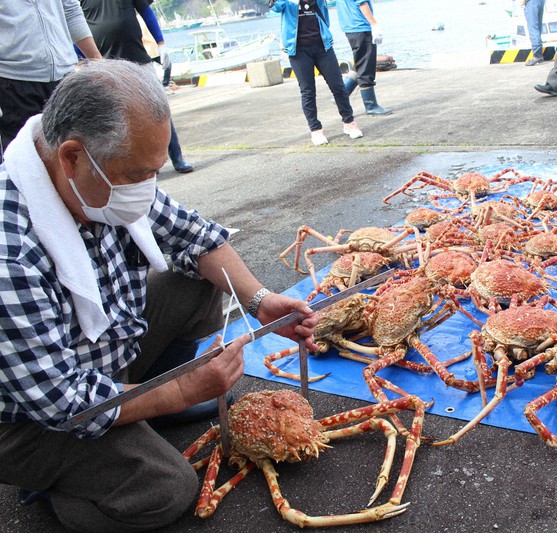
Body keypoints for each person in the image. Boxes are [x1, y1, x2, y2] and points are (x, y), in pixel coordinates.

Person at [0, 59, 319, 531]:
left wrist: (259, 300)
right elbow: (64, 402)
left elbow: (199, 238)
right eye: (136, 174)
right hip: (29, 416)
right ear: (71, 157)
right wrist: (183, 390)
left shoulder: (98, 174)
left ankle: (141, 408)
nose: (147, 189)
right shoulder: (10, 253)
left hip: (98, 358)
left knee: (206, 280)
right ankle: (62, 484)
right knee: (166, 491)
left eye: (155, 171)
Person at [79, 0, 194, 173]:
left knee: (158, 109)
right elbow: (75, 26)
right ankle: (135, 167)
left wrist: (161, 43)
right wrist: (81, 57)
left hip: (138, 57)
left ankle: (177, 157)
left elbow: (146, 12)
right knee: (116, 117)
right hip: (104, 63)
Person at [0, 0, 102, 162]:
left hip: (65, 75)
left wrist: (95, 57)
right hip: (13, 78)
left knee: (78, 152)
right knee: (27, 159)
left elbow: (70, 10)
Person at [269, 0, 364, 145]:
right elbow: (275, 7)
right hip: (298, 51)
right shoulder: (288, 2)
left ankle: (349, 122)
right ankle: (316, 130)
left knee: (338, 86)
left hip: (323, 46)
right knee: (307, 91)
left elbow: (325, 16)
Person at [337, 0, 392, 115]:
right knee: (366, 67)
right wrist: (374, 24)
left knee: (361, 63)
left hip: (350, 26)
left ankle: (342, 94)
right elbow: (362, 3)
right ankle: (370, 105)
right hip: (360, 26)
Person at [523, 0, 546, 66]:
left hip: (532, 2)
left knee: (533, 28)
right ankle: (540, 56)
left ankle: (537, 55)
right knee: (538, 27)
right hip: (541, 1)